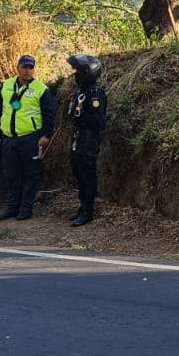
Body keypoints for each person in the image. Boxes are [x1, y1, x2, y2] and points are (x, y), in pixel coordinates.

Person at [0, 55, 57, 221]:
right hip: (9, 138)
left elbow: (50, 115)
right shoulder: (7, 85)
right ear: (18, 67)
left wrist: (46, 135)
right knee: (11, 174)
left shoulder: (41, 89)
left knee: (30, 174)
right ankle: (12, 207)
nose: (27, 71)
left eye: (30, 67)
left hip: (30, 138)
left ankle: (26, 208)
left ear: (34, 69)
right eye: (24, 67)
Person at [66, 54, 107, 227]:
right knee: (78, 174)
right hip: (78, 139)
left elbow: (98, 122)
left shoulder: (95, 94)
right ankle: (82, 207)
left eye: (78, 72)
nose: (75, 75)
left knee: (87, 176)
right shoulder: (82, 93)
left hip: (88, 141)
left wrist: (80, 115)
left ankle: (87, 212)